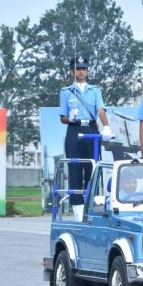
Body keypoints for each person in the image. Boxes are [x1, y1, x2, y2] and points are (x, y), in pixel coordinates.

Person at [58, 56, 113, 221]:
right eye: (77, 68)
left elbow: (101, 110)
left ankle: (92, 211)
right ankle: (78, 213)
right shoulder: (66, 92)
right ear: (71, 71)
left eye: (83, 68)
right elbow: (62, 118)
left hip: (90, 128)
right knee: (75, 170)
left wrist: (106, 126)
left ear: (87, 71)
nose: (81, 71)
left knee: (93, 169)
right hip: (74, 130)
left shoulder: (94, 90)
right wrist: (71, 118)